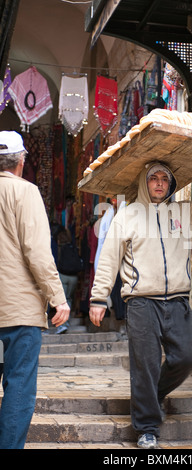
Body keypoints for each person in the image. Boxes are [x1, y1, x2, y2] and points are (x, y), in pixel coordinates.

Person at [89, 156, 192, 449]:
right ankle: (147, 429)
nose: (159, 184)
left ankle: (152, 396)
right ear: (145, 182)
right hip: (142, 302)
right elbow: (108, 260)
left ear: (170, 184)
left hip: (178, 300)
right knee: (145, 364)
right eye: (154, 178)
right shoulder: (127, 216)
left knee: (186, 355)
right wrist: (99, 297)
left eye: (164, 179)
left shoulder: (183, 212)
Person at [0, 131, 70, 449]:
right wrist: (58, 299)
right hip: (19, 312)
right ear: (21, 161)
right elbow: (38, 253)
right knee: (18, 386)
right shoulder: (25, 193)